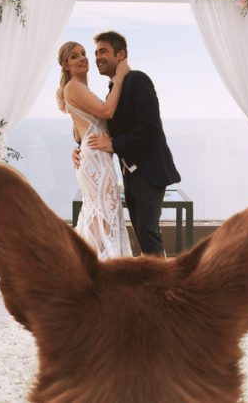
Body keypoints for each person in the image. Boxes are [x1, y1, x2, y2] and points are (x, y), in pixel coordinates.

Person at [72, 31, 180, 258]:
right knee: (142, 234)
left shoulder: (137, 79)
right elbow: (101, 127)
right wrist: (81, 148)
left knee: (148, 235)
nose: (97, 57)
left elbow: (149, 126)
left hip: (149, 172)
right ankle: (153, 287)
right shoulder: (115, 88)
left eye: (103, 51)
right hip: (131, 175)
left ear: (120, 55)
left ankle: (162, 291)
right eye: (95, 53)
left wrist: (113, 144)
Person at [58, 41, 132, 260]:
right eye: (74, 56)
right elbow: (107, 111)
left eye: (83, 53)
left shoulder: (81, 89)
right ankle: (101, 269)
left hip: (96, 158)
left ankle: (94, 269)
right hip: (97, 162)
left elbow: (80, 134)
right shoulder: (72, 87)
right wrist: (120, 76)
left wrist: (77, 149)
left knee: (102, 215)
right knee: (102, 216)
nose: (82, 58)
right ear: (65, 65)